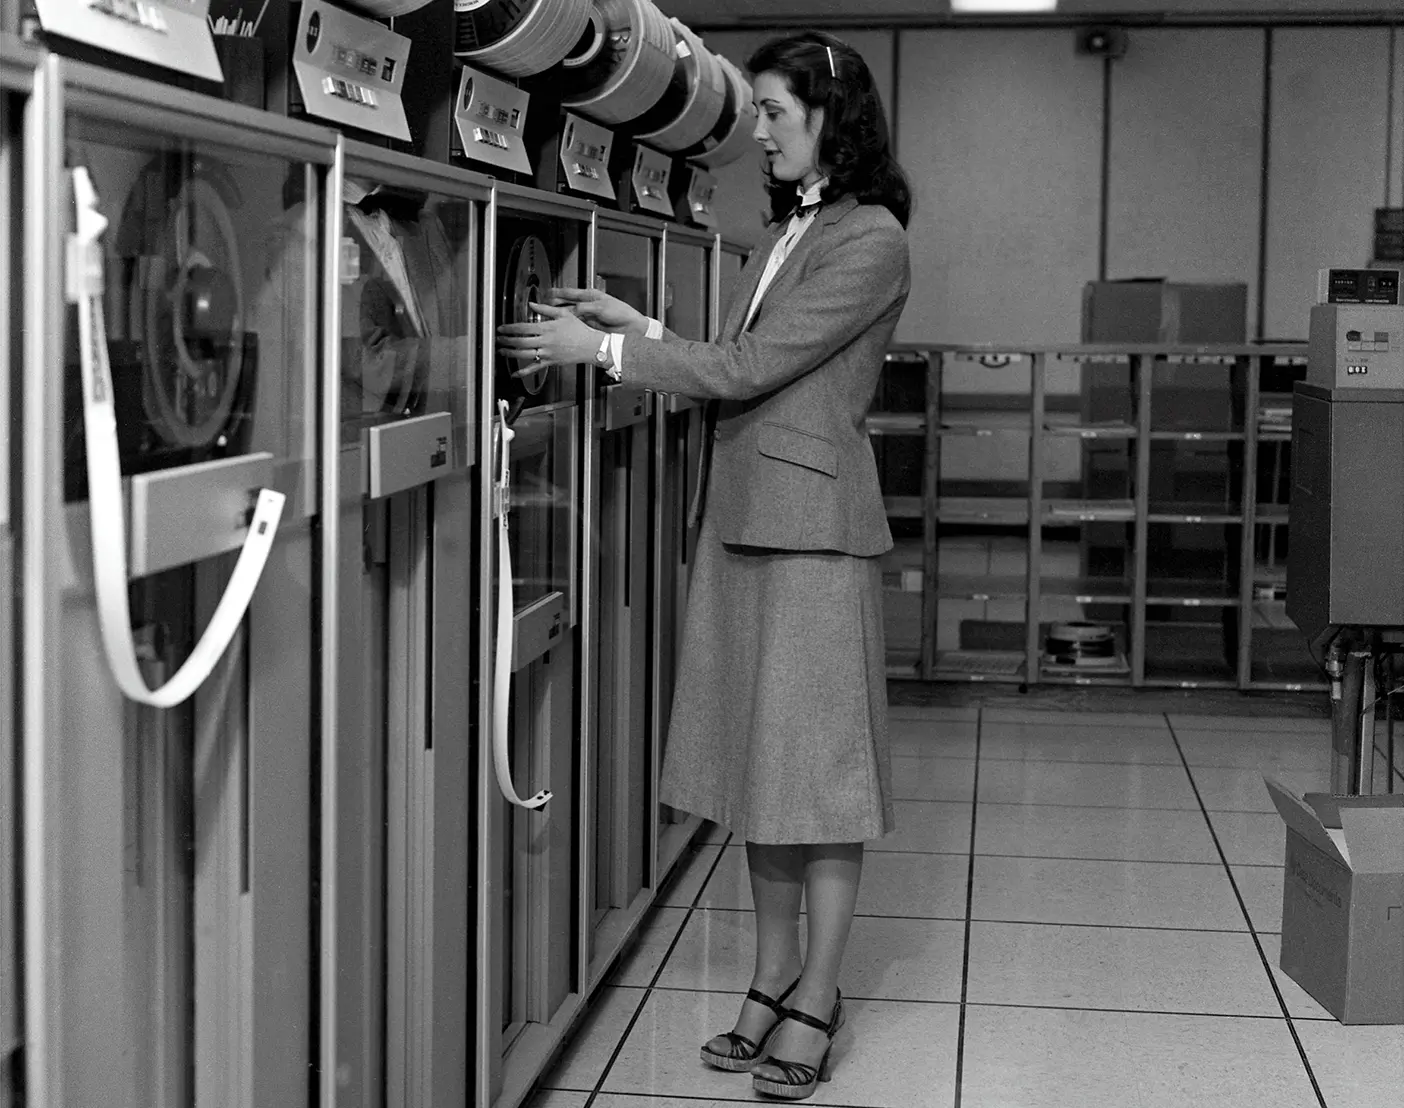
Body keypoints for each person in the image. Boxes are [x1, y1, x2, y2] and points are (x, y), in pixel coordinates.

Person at [498, 29, 911, 1102]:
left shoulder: (871, 240)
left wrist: (611, 354)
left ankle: (817, 992)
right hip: (741, 523)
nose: (760, 133)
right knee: (753, 770)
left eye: (775, 114)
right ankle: (771, 976)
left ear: (834, 118)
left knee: (815, 782)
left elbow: (752, 367)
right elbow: (744, 362)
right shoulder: (786, 234)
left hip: (813, 535)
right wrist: (639, 323)